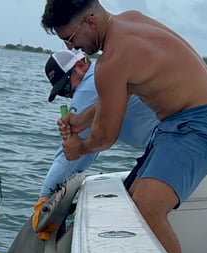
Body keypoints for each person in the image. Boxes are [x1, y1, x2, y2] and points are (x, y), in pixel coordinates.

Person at [41, 0, 207, 253]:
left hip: (199, 122)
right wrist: (81, 119)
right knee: (131, 197)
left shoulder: (112, 59)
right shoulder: (132, 19)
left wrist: (79, 148)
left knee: (146, 207)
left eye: (70, 39)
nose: (71, 48)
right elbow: (125, 90)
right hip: (174, 124)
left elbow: (104, 138)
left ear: (91, 22)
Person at [37, 48, 158, 205]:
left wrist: (44, 197)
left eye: (66, 86)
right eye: (61, 93)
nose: (69, 95)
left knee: (144, 208)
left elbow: (74, 154)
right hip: (162, 144)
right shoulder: (102, 72)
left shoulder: (90, 85)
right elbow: (91, 146)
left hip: (172, 141)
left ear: (80, 66)